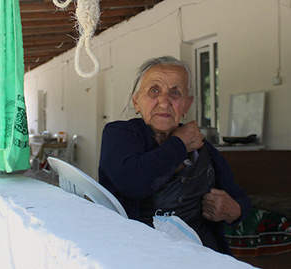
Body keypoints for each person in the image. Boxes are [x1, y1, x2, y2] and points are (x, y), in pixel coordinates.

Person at [98, 56, 250, 255]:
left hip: (200, 255)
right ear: (136, 102)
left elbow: (239, 196)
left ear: (186, 105)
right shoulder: (119, 134)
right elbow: (134, 181)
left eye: (175, 93)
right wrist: (179, 143)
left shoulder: (203, 148)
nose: (164, 102)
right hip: (139, 255)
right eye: (154, 91)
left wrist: (235, 209)